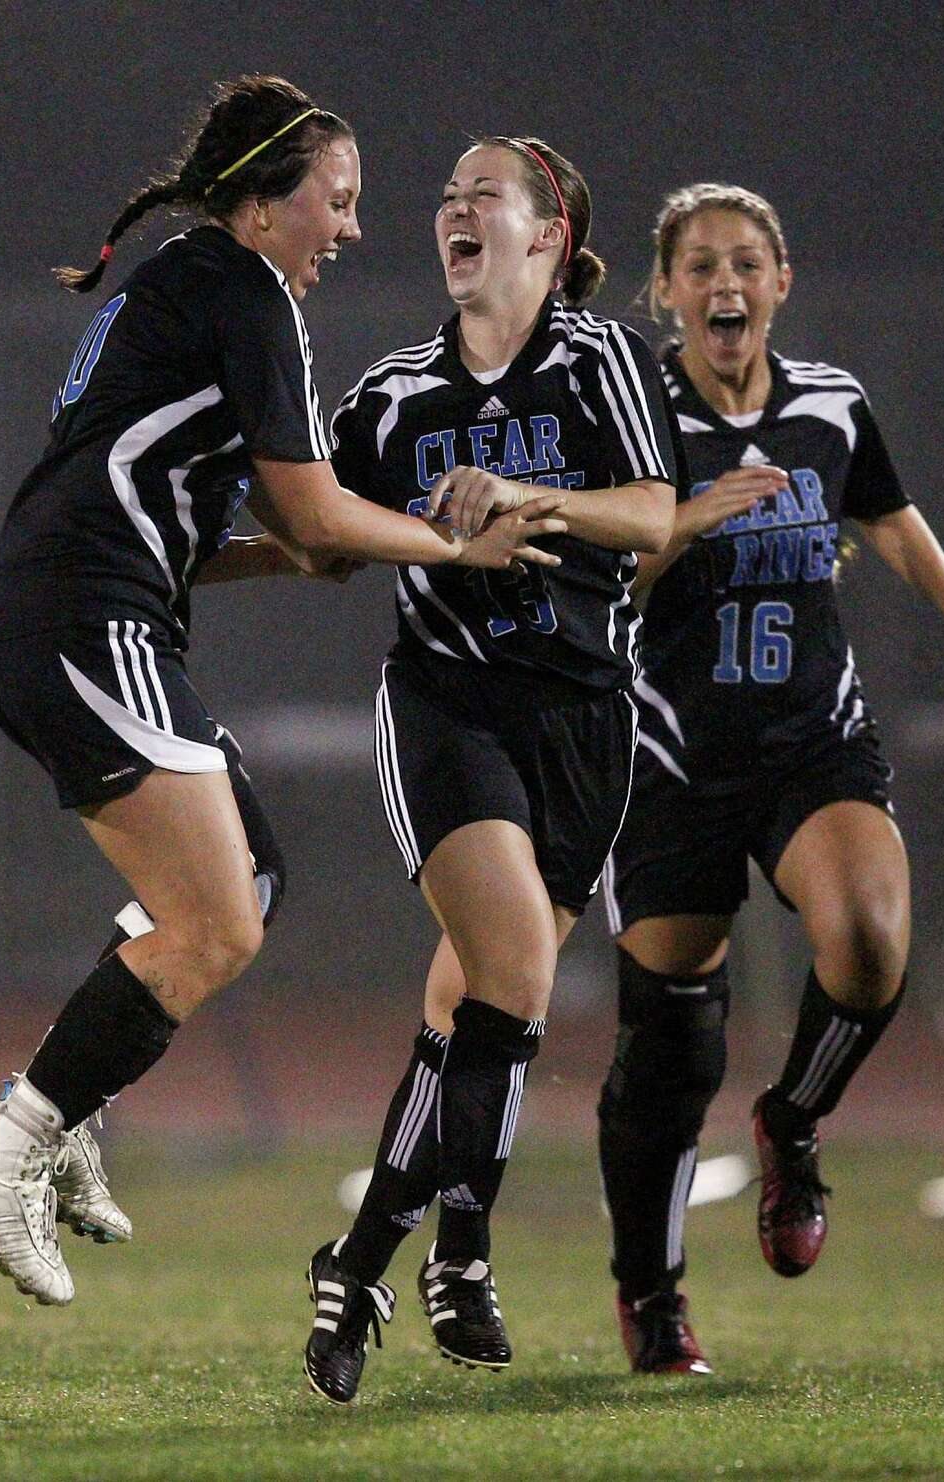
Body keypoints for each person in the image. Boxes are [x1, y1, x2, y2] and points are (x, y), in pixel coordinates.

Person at [0, 76, 563, 1309]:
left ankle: (61, 1114)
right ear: (266, 201)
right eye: (337, 199)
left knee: (253, 882)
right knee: (214, 921)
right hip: (81, 615)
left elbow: (281, 529)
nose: (350, 226)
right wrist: (454, 543)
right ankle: (9, 1144)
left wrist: (331, 539)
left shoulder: (189, 286)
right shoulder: (248, 291)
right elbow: (321, 510)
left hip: (85, 610)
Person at [597, 182, 944, 1374]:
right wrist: (688, 519)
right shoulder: (636, 416)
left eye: (747, 262)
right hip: (671, 758)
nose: (725, 284)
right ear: (667, 291)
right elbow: (597, 587)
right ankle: (654, 1293)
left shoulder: (831, 403)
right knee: (668, 1059)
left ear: (782, 281)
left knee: (873, 938)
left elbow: (882, 508)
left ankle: (792, 1121)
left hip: (811, 742)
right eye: (701, 266)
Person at [301, 135, 682, 1404]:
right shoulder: (389, 397)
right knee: (515, 967)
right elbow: (320, 537)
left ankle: (357, 1265)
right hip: (448, 704)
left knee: (472, 1005)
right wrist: (180, 556)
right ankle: (461, 1245)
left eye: (485, 196)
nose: (453, 210)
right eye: (446, 194)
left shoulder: (602, 357)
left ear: (549, 236)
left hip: (582, 721)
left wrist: (525, 498)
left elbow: (652, 512)